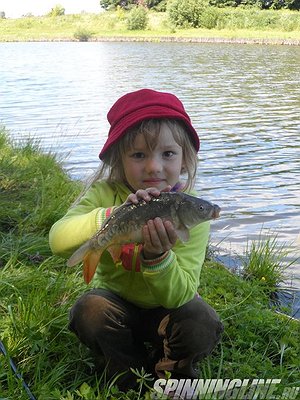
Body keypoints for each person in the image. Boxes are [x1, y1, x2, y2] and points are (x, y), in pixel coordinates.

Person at [49, 88, 223, 390]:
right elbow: (57, 239)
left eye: (167, 154)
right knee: (88, 309)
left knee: (200, 319)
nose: (154, 167)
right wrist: (113, 217)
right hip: (117, 307)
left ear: (184, 160)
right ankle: (128, 378)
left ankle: (172, 379)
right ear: (119, 159)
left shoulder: (192, 211)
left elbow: (179, 297)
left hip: (167, 311)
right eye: (139, 155)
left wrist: (158, 258)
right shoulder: (104, 194)